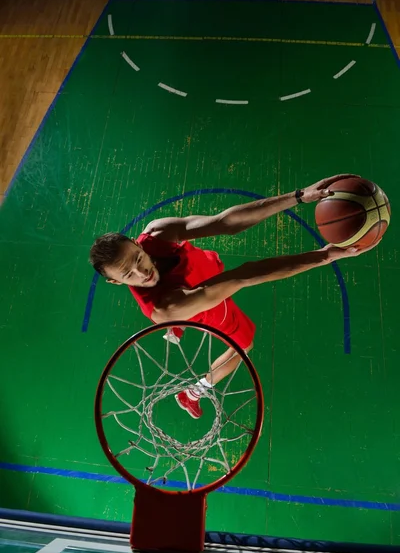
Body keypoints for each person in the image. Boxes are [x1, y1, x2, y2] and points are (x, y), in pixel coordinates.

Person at [89, 175, 377, 418]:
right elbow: (246, 275)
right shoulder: (165, 307)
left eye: (139, 258)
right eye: (129, 274)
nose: (142, 273)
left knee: (207, 261)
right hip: (203, 304)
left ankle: (177, 330)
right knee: (244, 345)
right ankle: (193, 392)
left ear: (137, 243)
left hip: (200, 271)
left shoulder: (157, 233)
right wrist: (321, 257)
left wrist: (301, 196)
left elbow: (225, 222)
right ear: (116, 282)